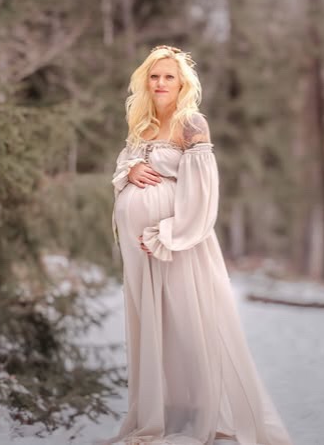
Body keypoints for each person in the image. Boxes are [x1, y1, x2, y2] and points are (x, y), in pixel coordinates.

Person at [105, 46, 293, 445]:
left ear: (182, 83)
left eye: (169, 77)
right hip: (140, 252)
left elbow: (204, 192)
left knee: (188, 325)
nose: (160, 83)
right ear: (145, 80)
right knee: (152, 326)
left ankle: (204, 414)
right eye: (154, 76)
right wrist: (131, 169)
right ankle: (164, 413)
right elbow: (125, 164)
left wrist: (168, 234)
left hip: (177, 243)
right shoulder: (141, 123)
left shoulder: (191, 123)